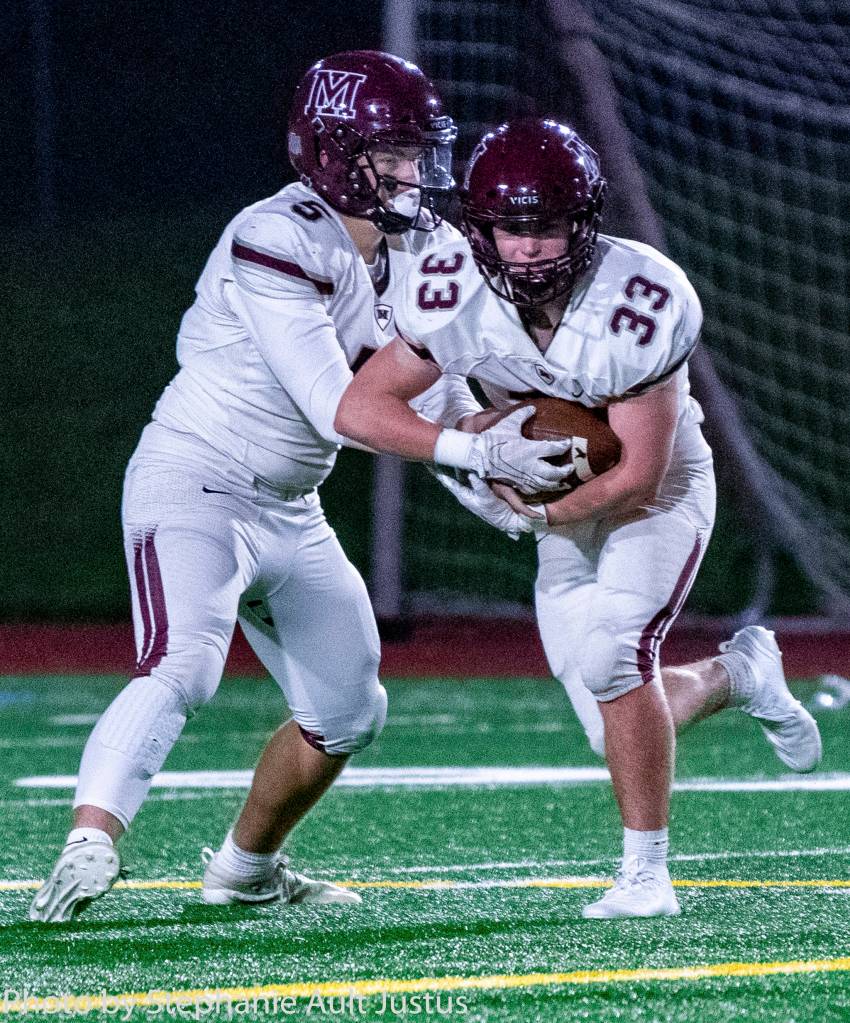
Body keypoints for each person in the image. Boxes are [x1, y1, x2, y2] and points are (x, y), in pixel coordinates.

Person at [29, 56, 574, 924]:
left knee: (349, 708)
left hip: (293, 503)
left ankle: (247, 867)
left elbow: (435, 397)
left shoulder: (431, 248)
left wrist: (506, 480)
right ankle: (90, 840)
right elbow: (340, 405)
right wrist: (482, 457)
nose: (414, 172)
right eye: (391, 152)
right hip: (197, 478)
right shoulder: (275, 235)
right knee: (185, 659)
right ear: (332, 150)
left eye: (418, 151)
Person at [333, 118, 822, 919]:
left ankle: (647, 876)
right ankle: (739, 673)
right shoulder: (450, 283)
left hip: (655, 491)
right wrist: (470, 454)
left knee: (614, 659)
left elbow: (636, 472)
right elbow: (360, 407)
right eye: (509, 227)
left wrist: (537, 512)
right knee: (612, 726)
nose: (526, 248)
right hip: (549, 487)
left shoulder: (641, 295)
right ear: (479, 225)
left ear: (584, 222)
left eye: (547, 226)